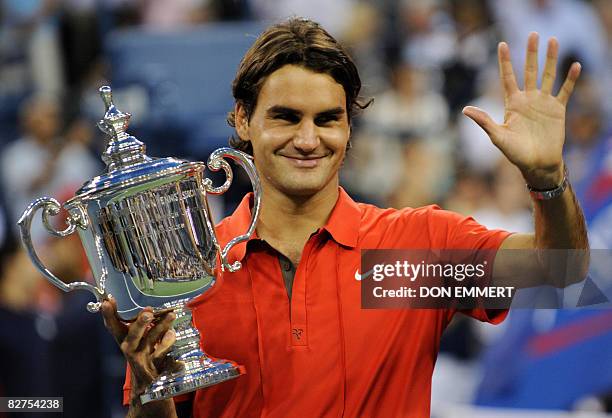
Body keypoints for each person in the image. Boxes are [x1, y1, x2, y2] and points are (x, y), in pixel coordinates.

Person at [101, 18, 588, 417]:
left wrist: (547, 179)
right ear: (243, 120)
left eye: (327, 119)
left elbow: (563, 271)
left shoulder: (413, 253)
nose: (309, 140)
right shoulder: (190, 276)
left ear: (349, 126)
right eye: (286, 117)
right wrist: (151, 390)